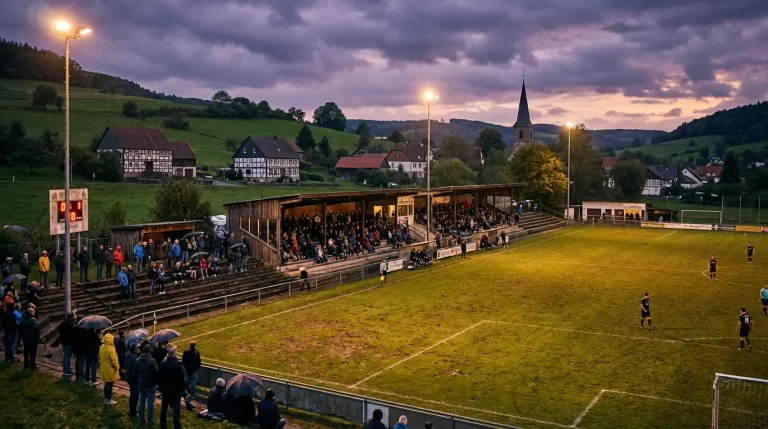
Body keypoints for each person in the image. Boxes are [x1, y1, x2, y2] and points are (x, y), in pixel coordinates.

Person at [158, 344, 187, 429]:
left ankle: (163, 425)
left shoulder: (163, 364)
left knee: (164, 408)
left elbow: (159, 377)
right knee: (176, 409)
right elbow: (181, 380)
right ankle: (176, 425)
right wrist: (186, 390)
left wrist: (161, 388)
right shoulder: (178, 365)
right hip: (175, 391)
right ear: (174, 353)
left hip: (166, 390)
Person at [134, 344, 159, 425]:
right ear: (150, 351)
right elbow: (156, 373)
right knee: (150, 403)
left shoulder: (137, 360)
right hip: (150, 385)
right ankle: (150, 420)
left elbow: (135, 372)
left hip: (141, 383)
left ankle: (141, 418)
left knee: (141, 401)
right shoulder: (152, 361)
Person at [99, 332, 120, 405]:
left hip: (103, 368)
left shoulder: (102, 347)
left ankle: (105, 397)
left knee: (106, 383)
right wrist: (117, 367)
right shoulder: (111, 349)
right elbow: (114, 361)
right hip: (110, 369)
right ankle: (108, 399)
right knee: (109, 384)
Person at [181, 342, 201, 411]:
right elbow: (199, 362)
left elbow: (183, 360)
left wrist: (185, 367)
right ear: (194, 346)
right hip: (193, 370)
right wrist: (196, 368)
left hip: (187, 369)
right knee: (193, 381)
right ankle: (192, 393)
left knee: (187, 380)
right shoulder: (196, 352)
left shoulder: (186, 352)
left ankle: (187, 392)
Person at [125, 345, 141, 417]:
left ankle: (132, 409)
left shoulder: (128, 355)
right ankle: (132, 412)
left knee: (132, 393)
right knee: (135, 394)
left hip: (129, 376)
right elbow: (136, 369)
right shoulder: (134, 358)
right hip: (133, 378)